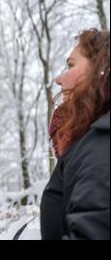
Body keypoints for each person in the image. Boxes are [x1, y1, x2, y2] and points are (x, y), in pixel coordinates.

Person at [40, 28, 110, 240]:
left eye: (71, 65)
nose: (59, 79)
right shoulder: (92, 140)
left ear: (102, 69)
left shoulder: (102, 144)